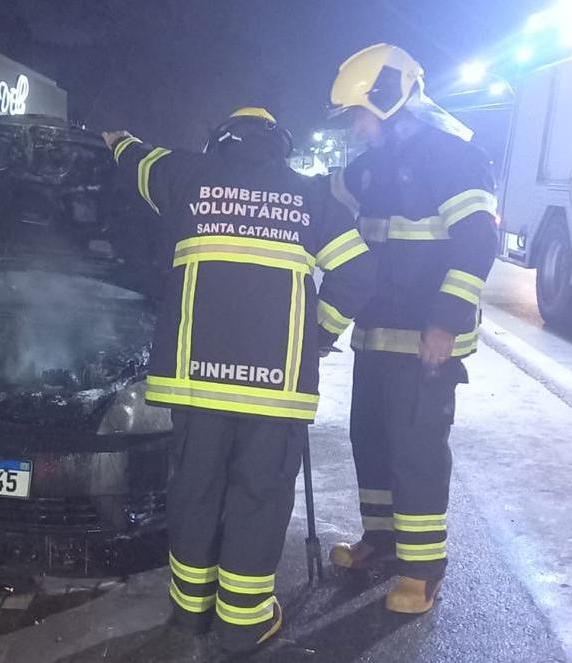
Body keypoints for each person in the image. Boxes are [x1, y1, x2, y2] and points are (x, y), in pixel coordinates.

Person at [103, 108, 375, 655]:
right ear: (280, 145)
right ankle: (246, 622)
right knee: (260, 495)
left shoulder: (185, 175)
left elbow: (136, 160)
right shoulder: (310, 196)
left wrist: (117, 139)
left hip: (195, 383)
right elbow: (359, 273)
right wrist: (316, 334)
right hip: (274, 389)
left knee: (195, 490)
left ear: (220, 141)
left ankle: (190, 611)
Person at [325, 43, 499, 613]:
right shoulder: (368, 168)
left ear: (388, 97)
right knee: (370, 441)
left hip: (426, 340)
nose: (355, 125)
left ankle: (422, 569)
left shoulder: (452, 157)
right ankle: (382, 542)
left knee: (416, 453)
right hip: (377, 335)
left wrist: (446, 323)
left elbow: (478, 242)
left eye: (359, 112)